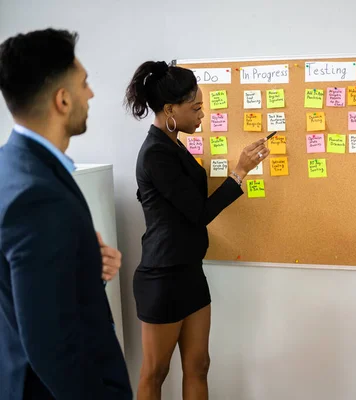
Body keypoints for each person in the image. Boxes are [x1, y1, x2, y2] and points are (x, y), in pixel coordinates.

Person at [125, 60, 269, 400]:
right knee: (155, 373)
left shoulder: (173, 144)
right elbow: (198, 212)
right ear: (170, 109)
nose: (202, 115)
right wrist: (239, 172)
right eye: (197, 108)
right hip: (162, 277)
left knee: (199, 365)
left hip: (189, 272)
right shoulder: (155, 153)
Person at [0, 29, 132, 399]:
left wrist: (86, 266)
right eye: (84, 83)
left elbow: (23, 289)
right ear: (62, 99)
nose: (89, 93)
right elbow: (50, 344)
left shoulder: (12, 166)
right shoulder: (38, 197)